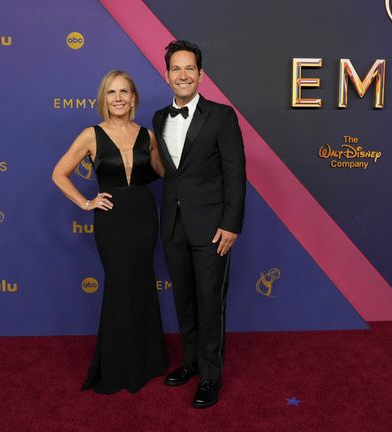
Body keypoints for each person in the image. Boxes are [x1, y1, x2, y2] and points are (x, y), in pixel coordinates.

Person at [51, 70, 167, 394]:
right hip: (112, 220)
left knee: (142, 284)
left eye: (124, 92)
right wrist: (85, 202)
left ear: (134, 98)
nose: (118, 98)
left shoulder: (148, 136)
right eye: (112, 92)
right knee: (120, 286)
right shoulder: (91, 135)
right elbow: (59, 173)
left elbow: (166, 172)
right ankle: (118, 365)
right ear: (104, 98)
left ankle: (148, 360)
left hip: (144, 218)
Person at [152, 40, 246, 408]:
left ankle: (211, 375)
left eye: (189, 68)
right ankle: (190, 362)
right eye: (176, 69)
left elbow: (235, 174)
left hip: (212, 228)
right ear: (167, 75)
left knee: (210, 302)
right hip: (173, 224)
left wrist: (231, 224)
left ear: (201, 74)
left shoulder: (222, 116)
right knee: (185, 300)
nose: (183, 75)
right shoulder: (159, 118)